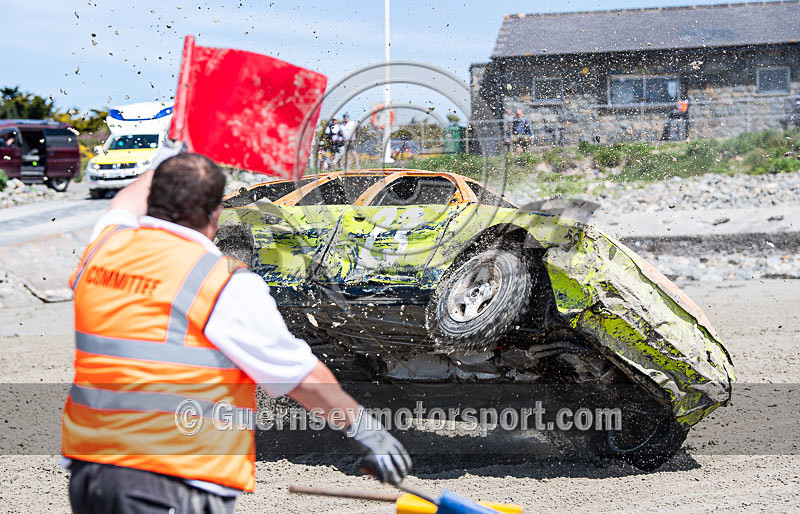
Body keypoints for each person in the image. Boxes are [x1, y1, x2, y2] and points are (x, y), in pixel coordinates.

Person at [62, 153, 411, 514]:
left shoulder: (103, 246)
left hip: (90, 472)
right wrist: (364, 428)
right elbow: (298, 375)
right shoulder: (219, 281)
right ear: (215, 214)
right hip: (170, 480)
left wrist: (180, 152)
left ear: (153, 200)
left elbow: (124, 201)